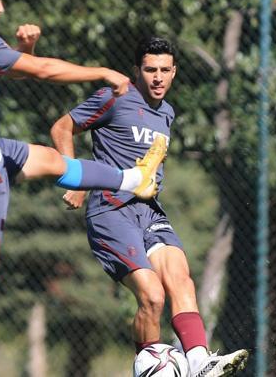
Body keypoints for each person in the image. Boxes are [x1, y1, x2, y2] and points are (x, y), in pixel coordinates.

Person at [0, 0, 167, 377]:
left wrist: (22, 51)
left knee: (50, 160)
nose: (1, 9)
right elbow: (43, 70)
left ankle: (132, 180)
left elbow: (12, 68)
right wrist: (102, 73)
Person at [50, 36, 249, 377]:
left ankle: (200, 363)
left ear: (174, 72)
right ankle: (151, 367)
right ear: (137, 71)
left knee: (181, 279)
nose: (157, 77)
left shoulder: (167, 112)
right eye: (150, 70)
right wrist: (74, 179)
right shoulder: (116, 97)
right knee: (153, 296)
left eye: (164, 70)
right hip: (111, 210)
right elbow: (62, 126)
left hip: (149, 212)